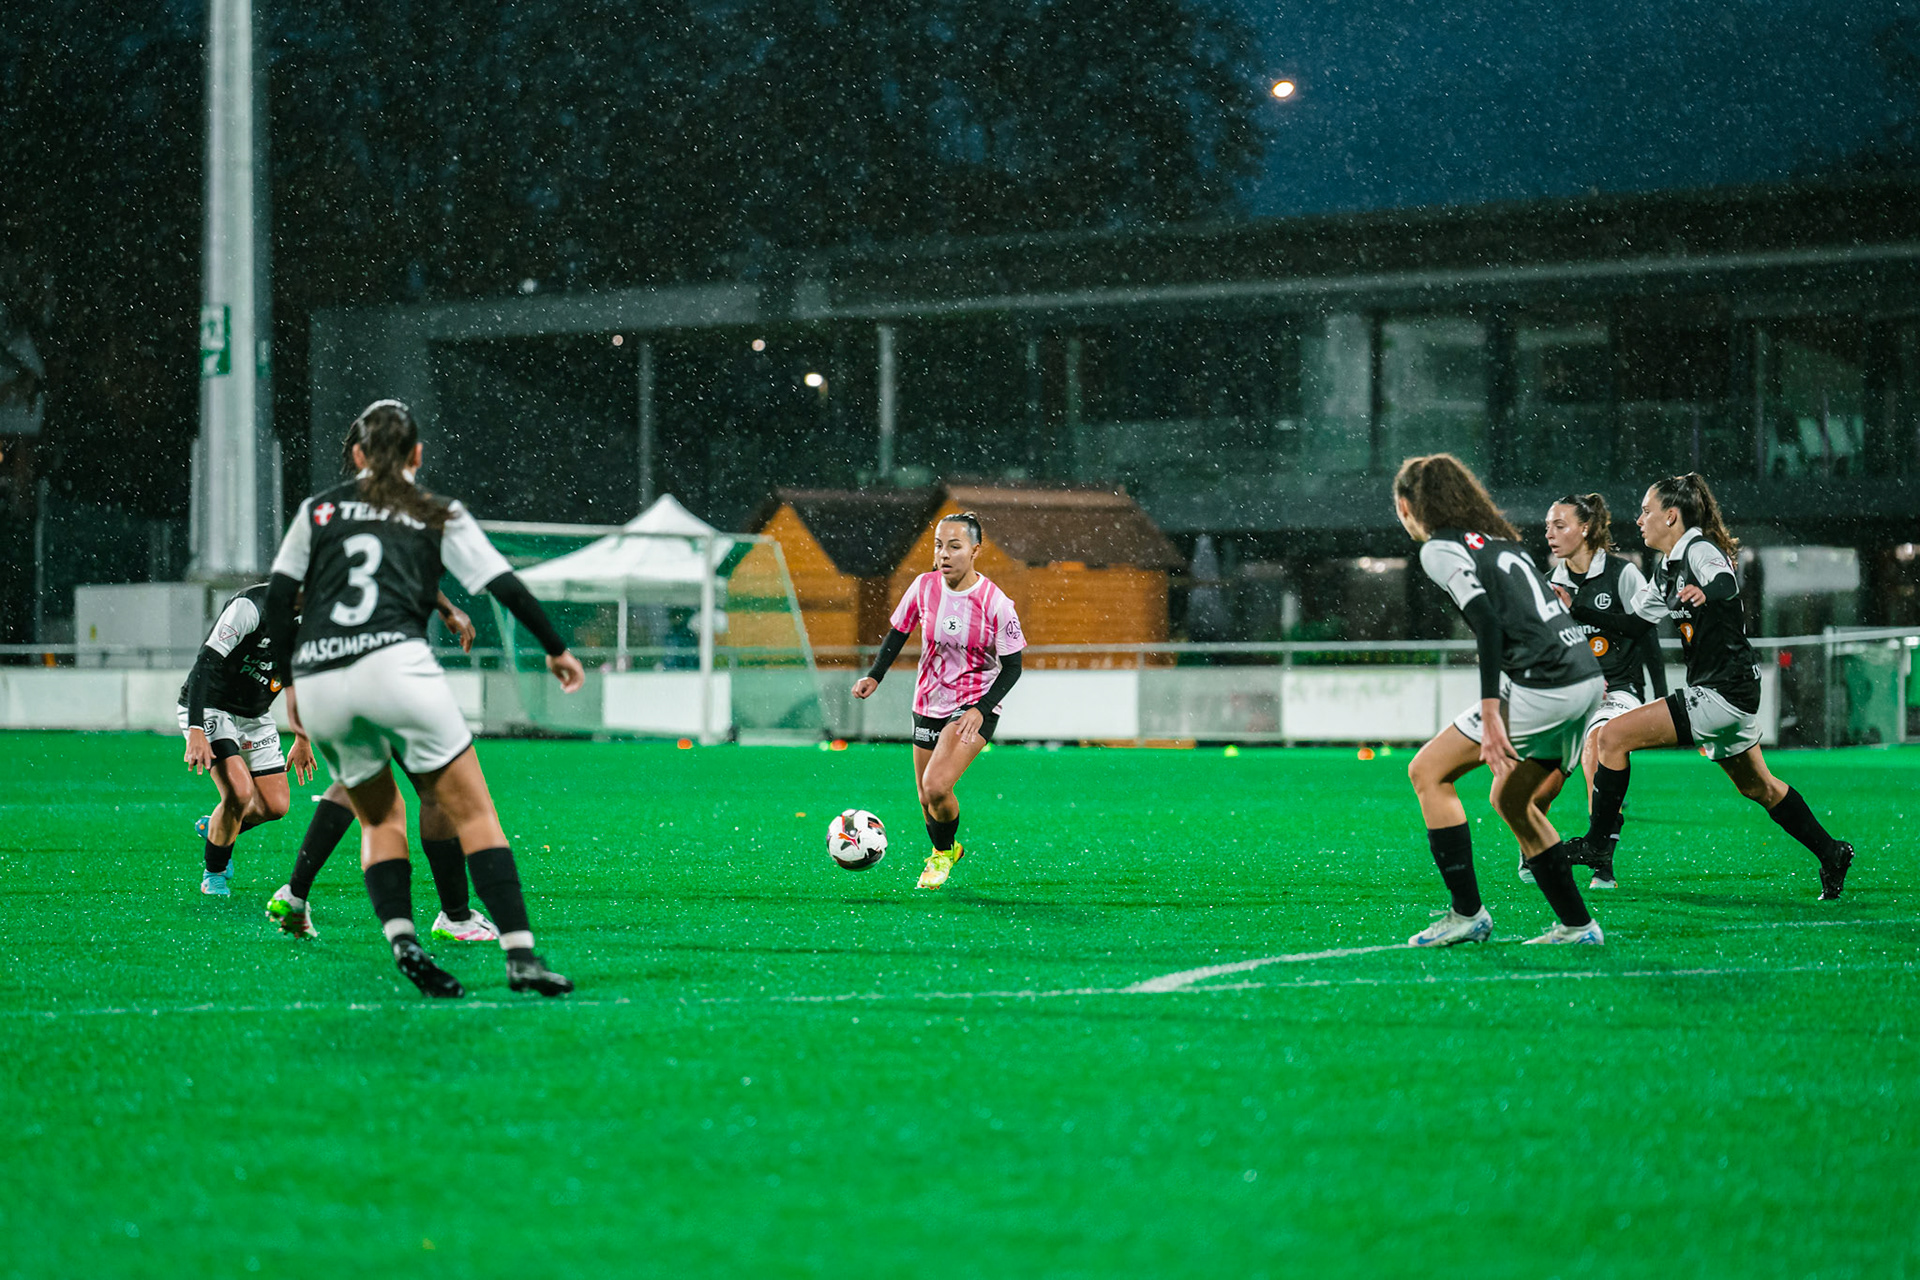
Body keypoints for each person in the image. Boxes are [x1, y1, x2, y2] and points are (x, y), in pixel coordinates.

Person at [263, 399, 585, 997]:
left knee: (380, 816)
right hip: (395, 663)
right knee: (474, 811)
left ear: (356, 455)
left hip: (322, 675)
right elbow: (502, 585)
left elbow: (281, 600)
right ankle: (519, 955)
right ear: (417, 455)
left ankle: (403, 941)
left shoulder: (318, 510)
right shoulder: (436, 512)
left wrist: (290, 685)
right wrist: (556, 647)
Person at [263, 414, 499, 943]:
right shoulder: (366, 508)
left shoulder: (332, 508)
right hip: (376, 662)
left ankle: (296, 894)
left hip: (333, 665)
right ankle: (455, 917)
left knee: (358, 784)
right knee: (433, 790)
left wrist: (443, 608)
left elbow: (361, 574)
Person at [1575, 473, 1854, 899]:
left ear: (1672, 516)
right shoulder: (1667, 569)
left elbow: (1724, 583)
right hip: (1731, 691)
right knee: (1757, 786)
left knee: (1611, 738)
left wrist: (1707, 592)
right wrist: (1575, 608)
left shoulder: (1699, 549)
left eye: (1646, 511)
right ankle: (1832, 852)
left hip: (1723, 691)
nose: (1639, 519)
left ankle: (1597, 846)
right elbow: (1633, 624)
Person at [1395, 454, 1609, 946]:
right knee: (1511, 799)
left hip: (1546, 684)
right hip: (1584, 678)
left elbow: (1488, 622)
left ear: (1408, 505)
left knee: (1427, 772)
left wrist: (1492, 714)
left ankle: (1467, 914)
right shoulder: (1497, 543)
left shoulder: (1440, 549)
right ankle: (1580, 927)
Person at [851, 511, 1024, 890]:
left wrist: (981, 709)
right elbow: (898, 632)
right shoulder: (924, 587)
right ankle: (948, 846)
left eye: (955, 546)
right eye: (939, 545)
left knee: (937, 786)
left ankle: (940, 855)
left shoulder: (996, 603)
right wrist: (874, 676)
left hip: (974, 705)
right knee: (926, 798)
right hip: (928, 701)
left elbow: (1013, 667)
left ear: (976, 550)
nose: (944, 554)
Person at [1521, 492, 1670, 891]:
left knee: (1596, 745)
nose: (1549, 534)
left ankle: (1601, 858)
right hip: (1572, 692)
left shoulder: (1623, 574)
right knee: (1536, 784)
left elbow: (1646, 636)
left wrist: (1661, 694)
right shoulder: (1549, 584)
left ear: (1585, 528)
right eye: (1547, 527)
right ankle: (1534, 845)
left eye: (1559, 525)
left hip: (1618, 691)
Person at [180, 584, 318, 895]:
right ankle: (213, 874)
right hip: (213, 707)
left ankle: (217, 830)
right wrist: (197, 727)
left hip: (255, 715)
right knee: (240, 793)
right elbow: (206, 662)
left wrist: (303, 736)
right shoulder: (251, 606)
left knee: (275, 806)